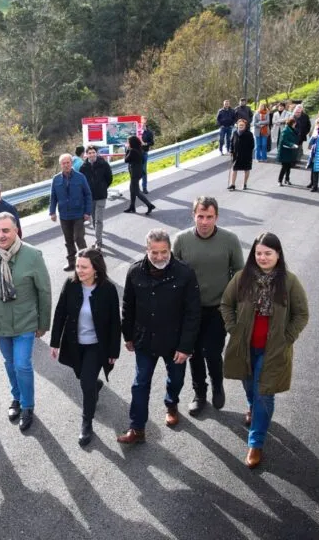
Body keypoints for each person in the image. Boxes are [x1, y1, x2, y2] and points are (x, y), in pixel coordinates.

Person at [220, 232, 309, 469]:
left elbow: (302, 314)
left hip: (273, 351)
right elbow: (226, 304)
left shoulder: (290, 282)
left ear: (278, 255)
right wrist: (233, 328)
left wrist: (287, 337)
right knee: (249, 385)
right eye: (258, 253)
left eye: (268, 253)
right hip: (246, 347)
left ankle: (255, 443)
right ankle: (252, 407)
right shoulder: (242, 278)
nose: (262, 257)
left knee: (263, 392)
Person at [117, 229, 201, 444]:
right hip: (145, 339)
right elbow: (128, 306)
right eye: (154, 252)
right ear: (147, 250)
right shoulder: (135, 272)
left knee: (177, 379)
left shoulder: (185, 273)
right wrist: (128, 335)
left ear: (170, 250)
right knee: (139, 383)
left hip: (175, 342)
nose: (160, 257)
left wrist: (185, 346)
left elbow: (193, 313)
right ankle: (137, 429)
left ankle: (171, 404)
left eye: (164, 252)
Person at [0, 212, 51, 432]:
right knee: (9, 363)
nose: (1, 235)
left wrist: (44, 323)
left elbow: (44, 292)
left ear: (16, 230)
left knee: (22, 364)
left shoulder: (33, 255)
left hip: (25, 322)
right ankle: (16, 397)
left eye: (5, 230)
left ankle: (27, 406)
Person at [173, 197, 244, 416]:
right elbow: (174, 274)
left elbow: (239, 274)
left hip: (218, 308)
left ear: (217, 217)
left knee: (212, 351)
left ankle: (217, 384)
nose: (204, 222)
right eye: (200, 216)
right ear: (193, 215)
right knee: (193, 353)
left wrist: (232, 304)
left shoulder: (230, 239)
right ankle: (199, 393)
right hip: (190, 310)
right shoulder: (182, 240)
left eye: (209, 217)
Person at [50, 248, 121, 446]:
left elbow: (115, 322)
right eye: (77, 266)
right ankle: (94, 385)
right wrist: (55, 342)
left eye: (84, 267)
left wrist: (114, 351)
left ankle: (86, 422)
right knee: (84, 378)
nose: (78, 270)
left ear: (96, 269)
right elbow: (60, 314)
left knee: (85, 383)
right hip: (75, 344)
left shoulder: (108, 289)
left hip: (97, 346)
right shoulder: (71, 285)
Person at [49, 153, 93, 271]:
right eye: (64, 163)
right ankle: (72, 263)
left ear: (71, 163)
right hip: (64, 215)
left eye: (68, 162)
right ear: (60, 165)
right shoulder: (56, 179)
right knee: (68, 240)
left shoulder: (80, 177)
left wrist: (87, 212)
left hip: (78, 214)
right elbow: (53, 197)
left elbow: (88, 195)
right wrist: (52, 212)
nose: (66, 165)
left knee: (79, 238)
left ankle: (87, 262)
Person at [81, 145, 113, 250]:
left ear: (96, 153)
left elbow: (109, 178)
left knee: (98, 220)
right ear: (86, 154)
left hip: (101, 196)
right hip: (90, 197)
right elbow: (82, 182)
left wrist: (103, 187)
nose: (92, 155)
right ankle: (98, 238)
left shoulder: (103, 164)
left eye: (93, 152)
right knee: (94, 218)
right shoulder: (83, 167)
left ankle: (98, 242)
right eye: (89, 153)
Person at [124, 135, 156, 215]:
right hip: (138, 172)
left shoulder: (132, 151)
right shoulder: (139, 149)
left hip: (135, 173)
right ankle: (132, 206)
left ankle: (149, 205)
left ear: (131, 143)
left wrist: (127, 149)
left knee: (136, 191)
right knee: (132, 189)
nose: (127, 143)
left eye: (128, 142)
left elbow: (126, 160)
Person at [228, 119, 255, 191]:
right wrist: (231, 150)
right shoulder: (234, 133)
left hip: (246, 156)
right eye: (239, 125)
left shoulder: (249, 134)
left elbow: (252, 145)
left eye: (242, 125)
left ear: (245, 126)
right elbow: (231, 142)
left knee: (246, 169)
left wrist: (248, 152)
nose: (241, 126)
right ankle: (232, 184)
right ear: (237, 125)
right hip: (236, 155)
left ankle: (244, 184)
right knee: (234, 169)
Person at [276, 117, 299, 187]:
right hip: (284, 151)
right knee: (284, 167)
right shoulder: (285, 130)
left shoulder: (291, 129)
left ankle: (287, 179)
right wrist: (292, 144)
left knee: (289, 166)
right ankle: (279, 180)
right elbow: (284, 141)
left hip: (289, 151)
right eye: (295, 123)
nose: (295, 124)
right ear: (292, 123)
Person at [141, 124, 155, 193]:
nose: (141, 125)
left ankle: (144, 187)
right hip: (135, 154)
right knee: (135, 172)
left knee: (143, 171)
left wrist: (145, 144)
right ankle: (136, 188)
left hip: (144, 153)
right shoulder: (134, 131)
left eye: (143, 124)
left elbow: (152, 142)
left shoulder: (149, 132)